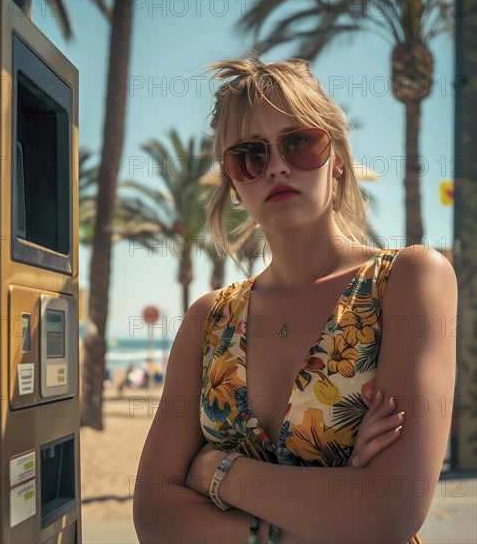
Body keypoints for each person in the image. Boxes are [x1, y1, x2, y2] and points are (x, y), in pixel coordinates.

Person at [133, 58, 457, 543]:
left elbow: (389, 513)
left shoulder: (407, 280)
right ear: (233, 183)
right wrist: (334, 507)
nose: (278, 166)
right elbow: (155, 519)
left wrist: (218, 473)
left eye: (299, 142)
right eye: (250, 155)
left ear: (338, 156)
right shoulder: (209, 319)